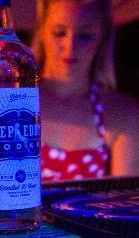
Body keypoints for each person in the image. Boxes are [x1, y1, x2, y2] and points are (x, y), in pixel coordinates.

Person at [31, 0, 139, 181]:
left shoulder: (125, 113)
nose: (70, 46)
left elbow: (124, 203)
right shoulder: (15, 103)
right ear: (42, 32)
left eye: (85, 35)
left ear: (102, 38)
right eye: (59, 32)